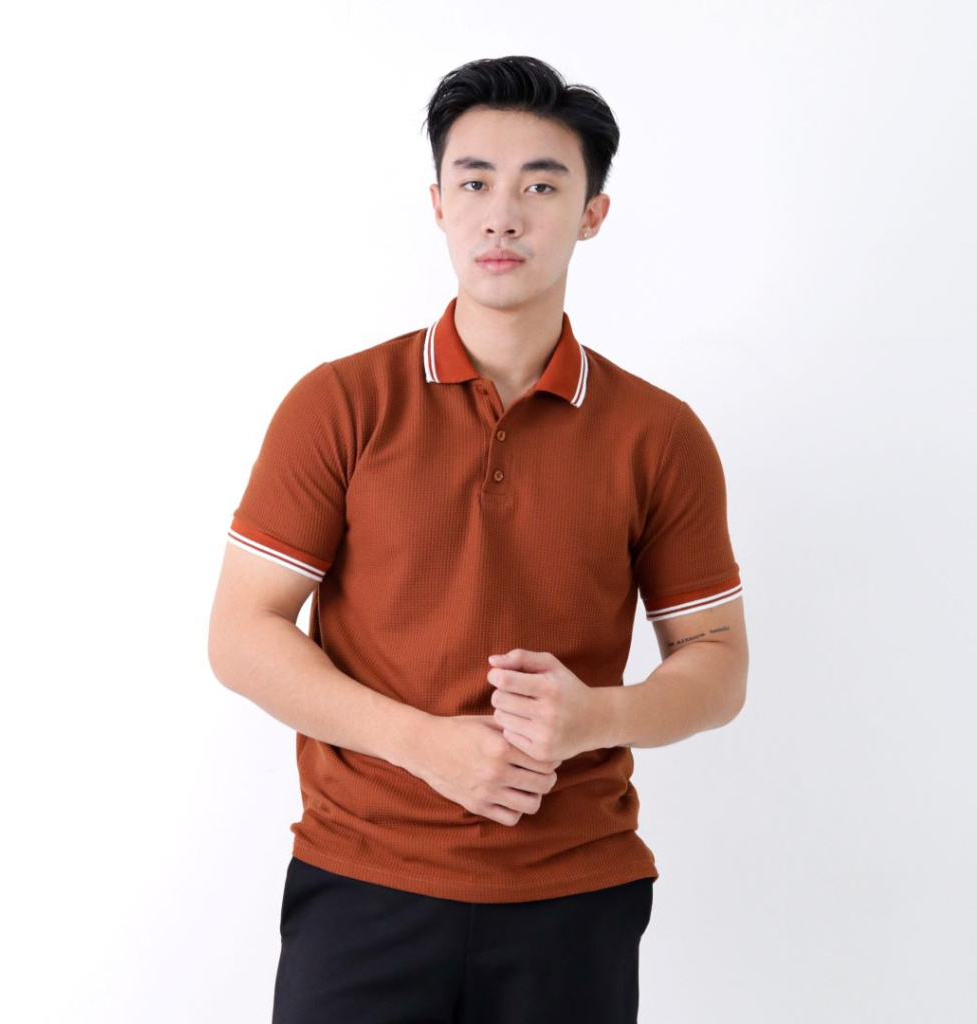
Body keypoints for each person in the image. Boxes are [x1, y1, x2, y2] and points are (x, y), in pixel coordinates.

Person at [208, 53, 749, 1024]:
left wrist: (593, 719)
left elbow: (717, 663)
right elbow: (241, 634)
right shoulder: (341, 404)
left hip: (574, 895)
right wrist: (422, 745)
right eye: (474, 182)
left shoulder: (659, 434)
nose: (503, 215)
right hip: (362, 884)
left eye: (541, 185)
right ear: (437, 204)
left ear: (592, 213)